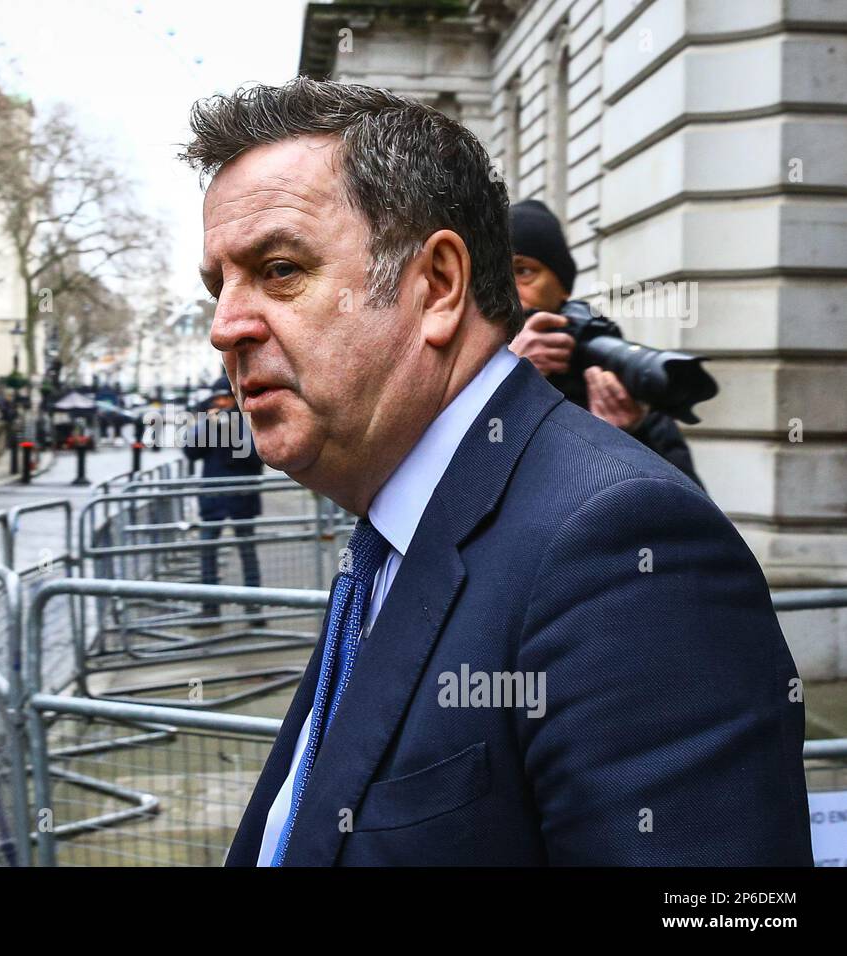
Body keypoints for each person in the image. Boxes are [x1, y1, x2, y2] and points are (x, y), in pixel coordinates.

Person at [184, 77, 810, 866]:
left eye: (278, 270)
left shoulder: (623, 553)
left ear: (438, 286)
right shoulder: (398, 518)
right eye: (219, 286)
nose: (225, 328)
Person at [509, 199, 704, 488]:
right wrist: (511, 380)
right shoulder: (468, 372)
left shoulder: (620, 383)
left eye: (523, 271)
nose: (507, 290)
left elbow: (689, 515)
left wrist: (626, 441)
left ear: (563, 286)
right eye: (494, 275)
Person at [182, 375, 265, 626]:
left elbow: (254, 454)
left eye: (226, 399)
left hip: (242, 498)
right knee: (207, 553)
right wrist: (210, 424)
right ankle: (210, 609)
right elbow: (190, 451)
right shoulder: (207, 421)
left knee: (247, 552)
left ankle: (254, 609)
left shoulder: (248, 421)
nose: (222, 403)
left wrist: (229, 428)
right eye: (217, 399)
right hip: (213, 499)